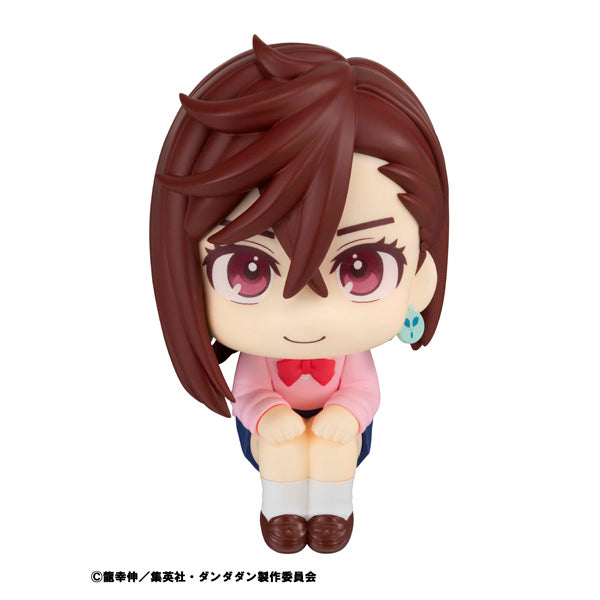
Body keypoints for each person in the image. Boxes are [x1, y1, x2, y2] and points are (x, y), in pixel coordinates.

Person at [150, 35, 449, 553]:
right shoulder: (260, 358)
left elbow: (364, 391)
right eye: (249, 270)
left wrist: (345, 414)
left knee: (334, 453)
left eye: (361, 268)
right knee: (282, 453)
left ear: (420, 274)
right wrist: (269, 415)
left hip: (346, 428)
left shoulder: (349, 354)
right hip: (266, 430)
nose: (306, 313)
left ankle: (334, 514)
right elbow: (249, 393)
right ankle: (281, 513)